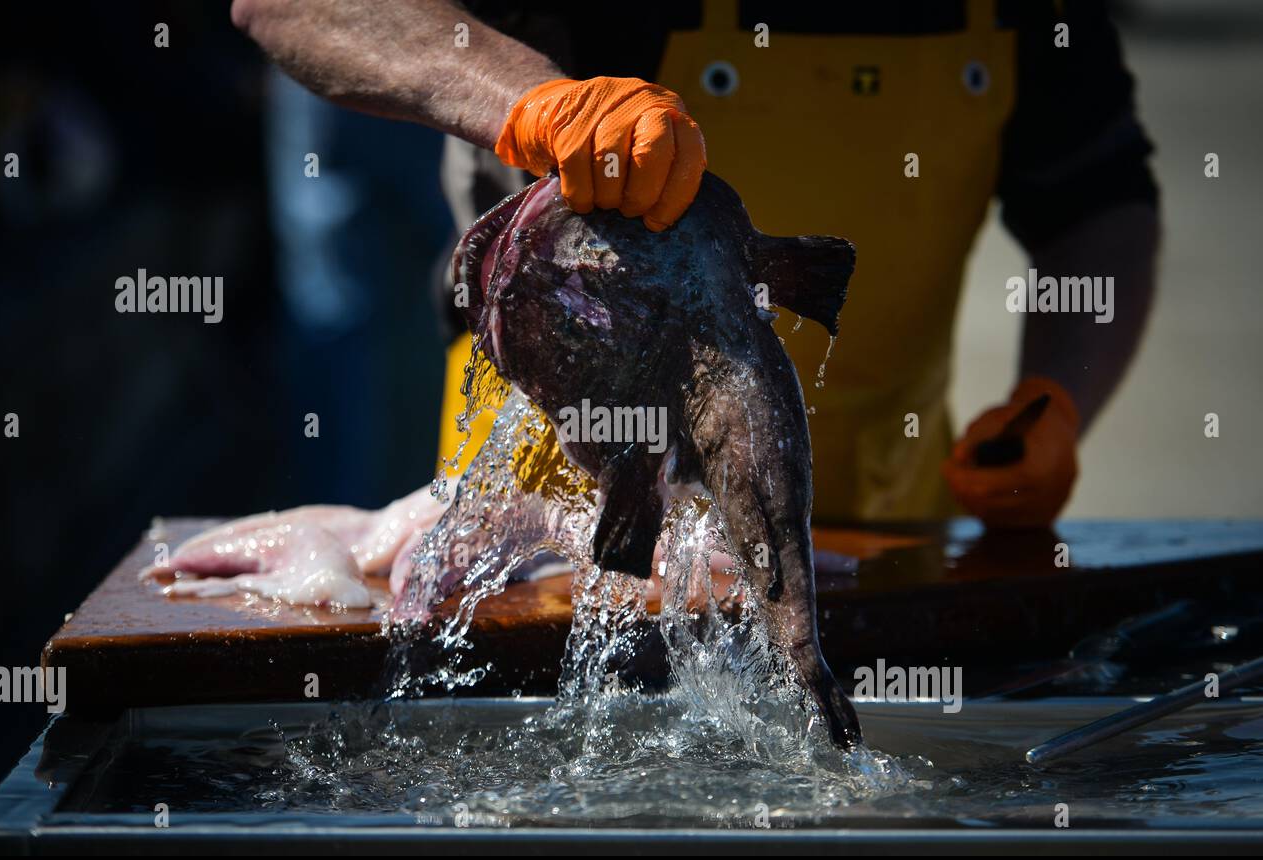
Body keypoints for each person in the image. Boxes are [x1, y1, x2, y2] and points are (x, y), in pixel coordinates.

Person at [231, 0, 1159, 530]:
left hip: (885, 546)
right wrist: (538, 102)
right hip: (547, 538)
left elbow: (1097, 200)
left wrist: (1059, 395)